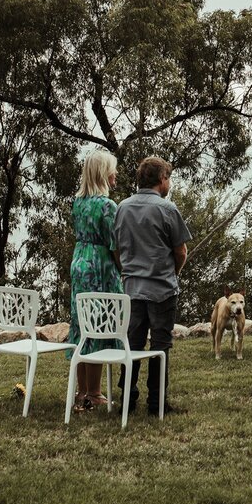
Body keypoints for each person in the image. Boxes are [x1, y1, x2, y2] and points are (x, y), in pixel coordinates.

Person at [115, 156, 191, 413]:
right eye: (168, 178)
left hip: (132, 288)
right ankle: (157, 403)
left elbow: (116, 249)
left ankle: (128, 398)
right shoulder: (167, 209)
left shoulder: (122, 207)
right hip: (161, 288)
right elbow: (181, 251)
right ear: (161, 180)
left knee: (132, 344)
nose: (169, 183)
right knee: (160, 345)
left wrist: (126, 272)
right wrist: (174, 272)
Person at [66, 149, 123, 411]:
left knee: (81, 326)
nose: (116, 174)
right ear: (103, 173)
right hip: (99, 265)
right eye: (112, 169)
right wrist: (124, 270)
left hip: (79, 261)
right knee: (98, 325)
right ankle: (95, 392)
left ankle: (81, 393)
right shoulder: (107, 206)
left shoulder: (78, 202)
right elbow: (115, 244)